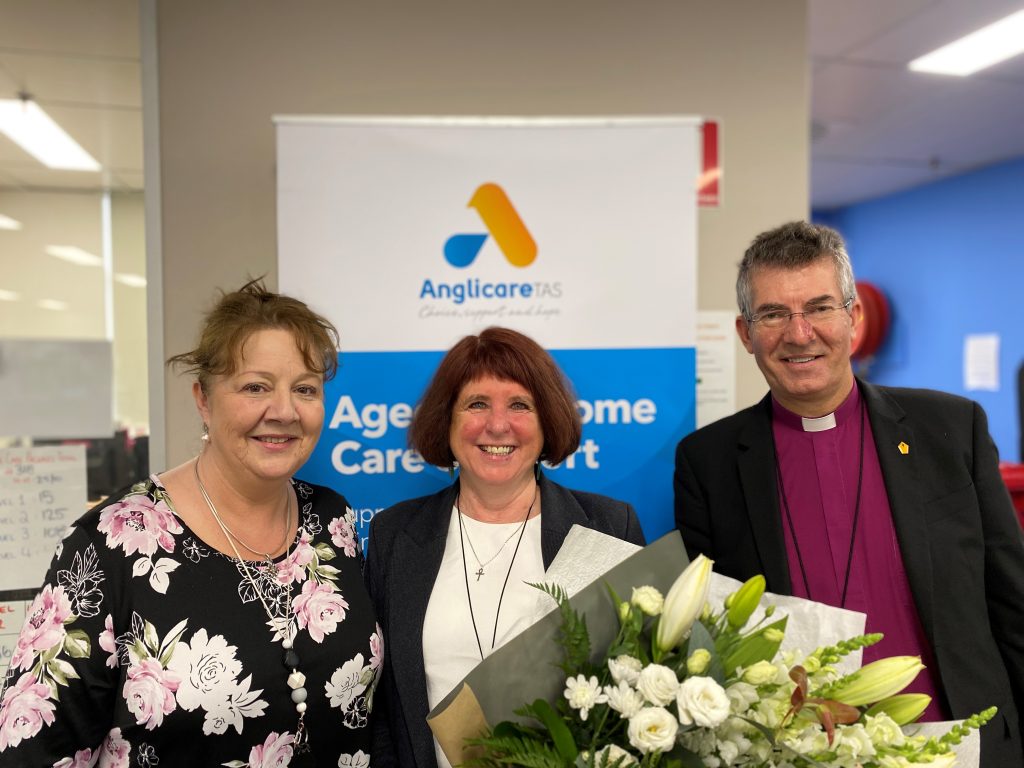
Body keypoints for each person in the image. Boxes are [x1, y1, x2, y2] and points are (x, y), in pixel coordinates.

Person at [674, 221, 1024, 767]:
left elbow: (1012, 603)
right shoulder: (709, 463)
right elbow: (710, 632)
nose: (799, 332)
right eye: (773, 314)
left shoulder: (951, 430)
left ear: (853, 317)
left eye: (819, 307)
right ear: (746, 333)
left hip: (961, 741)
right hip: (801, 751)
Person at [0, 279, 380, 766]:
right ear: (203, 398)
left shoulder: (333, 521)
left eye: (304, 389)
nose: (284, 411)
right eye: (255, 387)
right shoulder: (108, 546)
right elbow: (30, 752)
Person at [366, 327, 645, 768]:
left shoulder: (609, 527)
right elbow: (379, 705)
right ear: (448, 420)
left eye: (519, 405)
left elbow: (637, 686)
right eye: (477, 404)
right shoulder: (394, 535)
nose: (498, 425)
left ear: (547, 419)